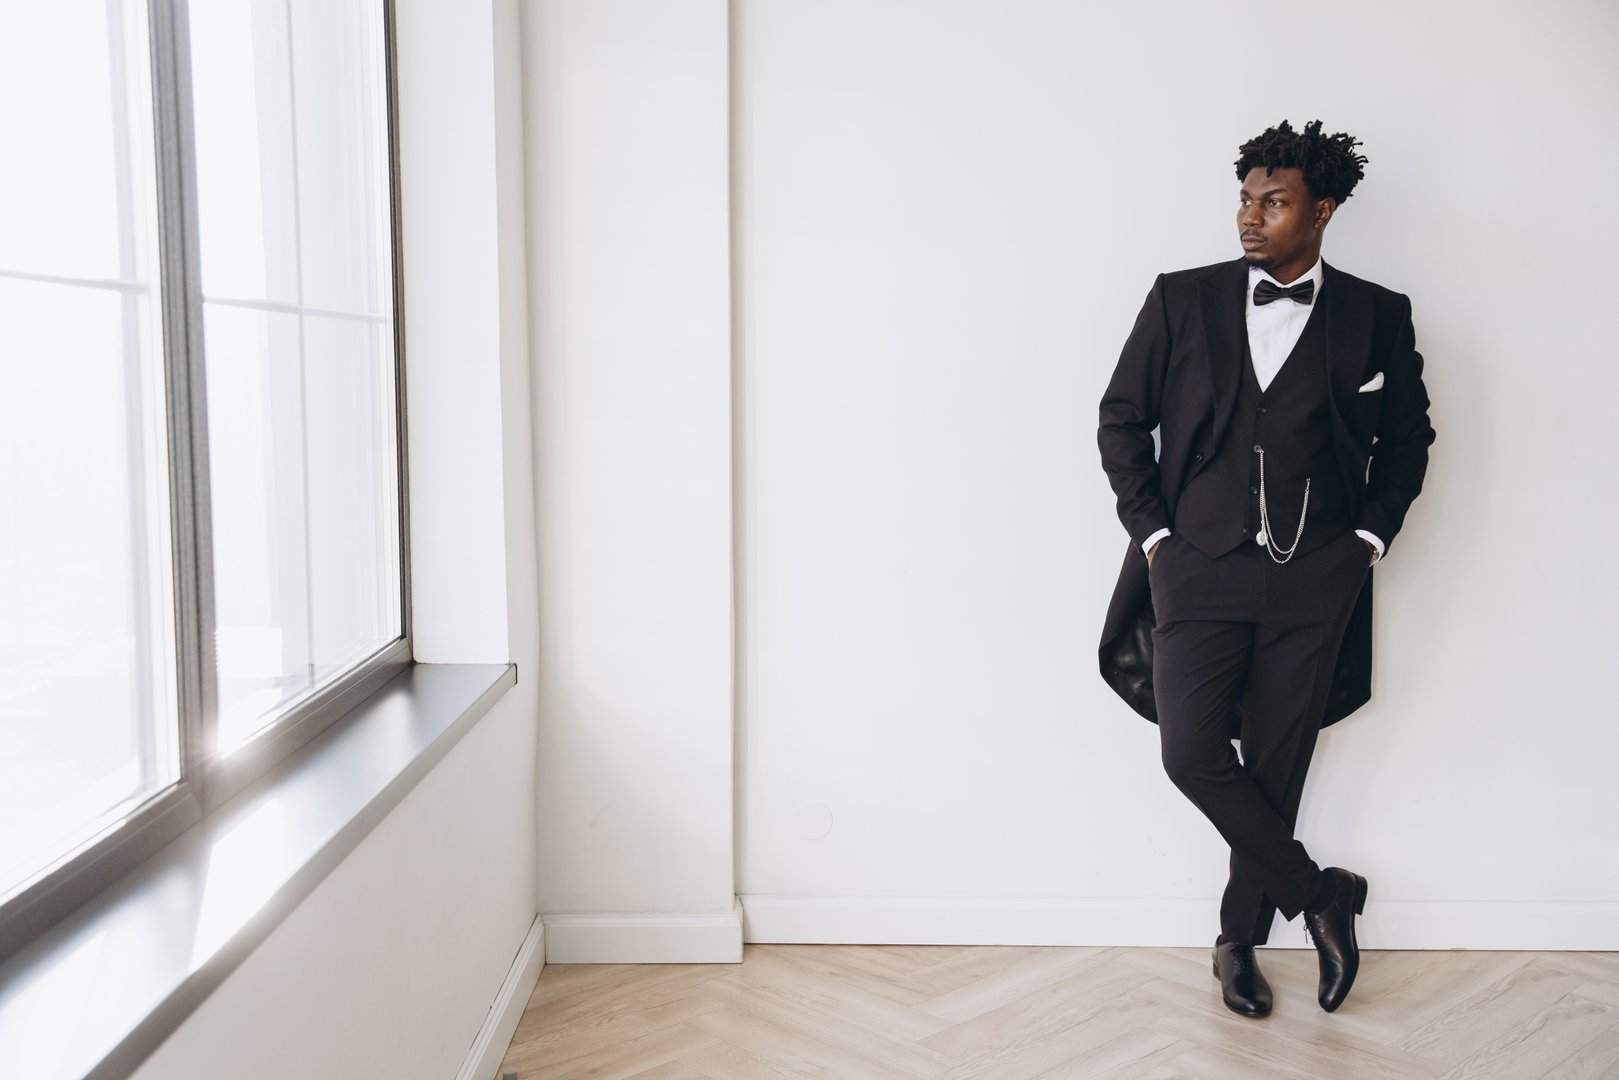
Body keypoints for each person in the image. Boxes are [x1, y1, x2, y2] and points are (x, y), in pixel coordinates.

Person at [1095, 119, 1435, 1017]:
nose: (1251, 218)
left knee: (1277, 765)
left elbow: (1407, 443)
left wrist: (1364, 544)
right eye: (1246, 200)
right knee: (1193, 751)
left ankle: (1236, 945)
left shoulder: (1376, 314)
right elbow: (1120, 419)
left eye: (1273, 202)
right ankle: (1321, 896)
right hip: (1195, 567)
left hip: (1313, 577)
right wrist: (1155, 537)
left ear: (1320, 211)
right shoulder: (1181, 298)